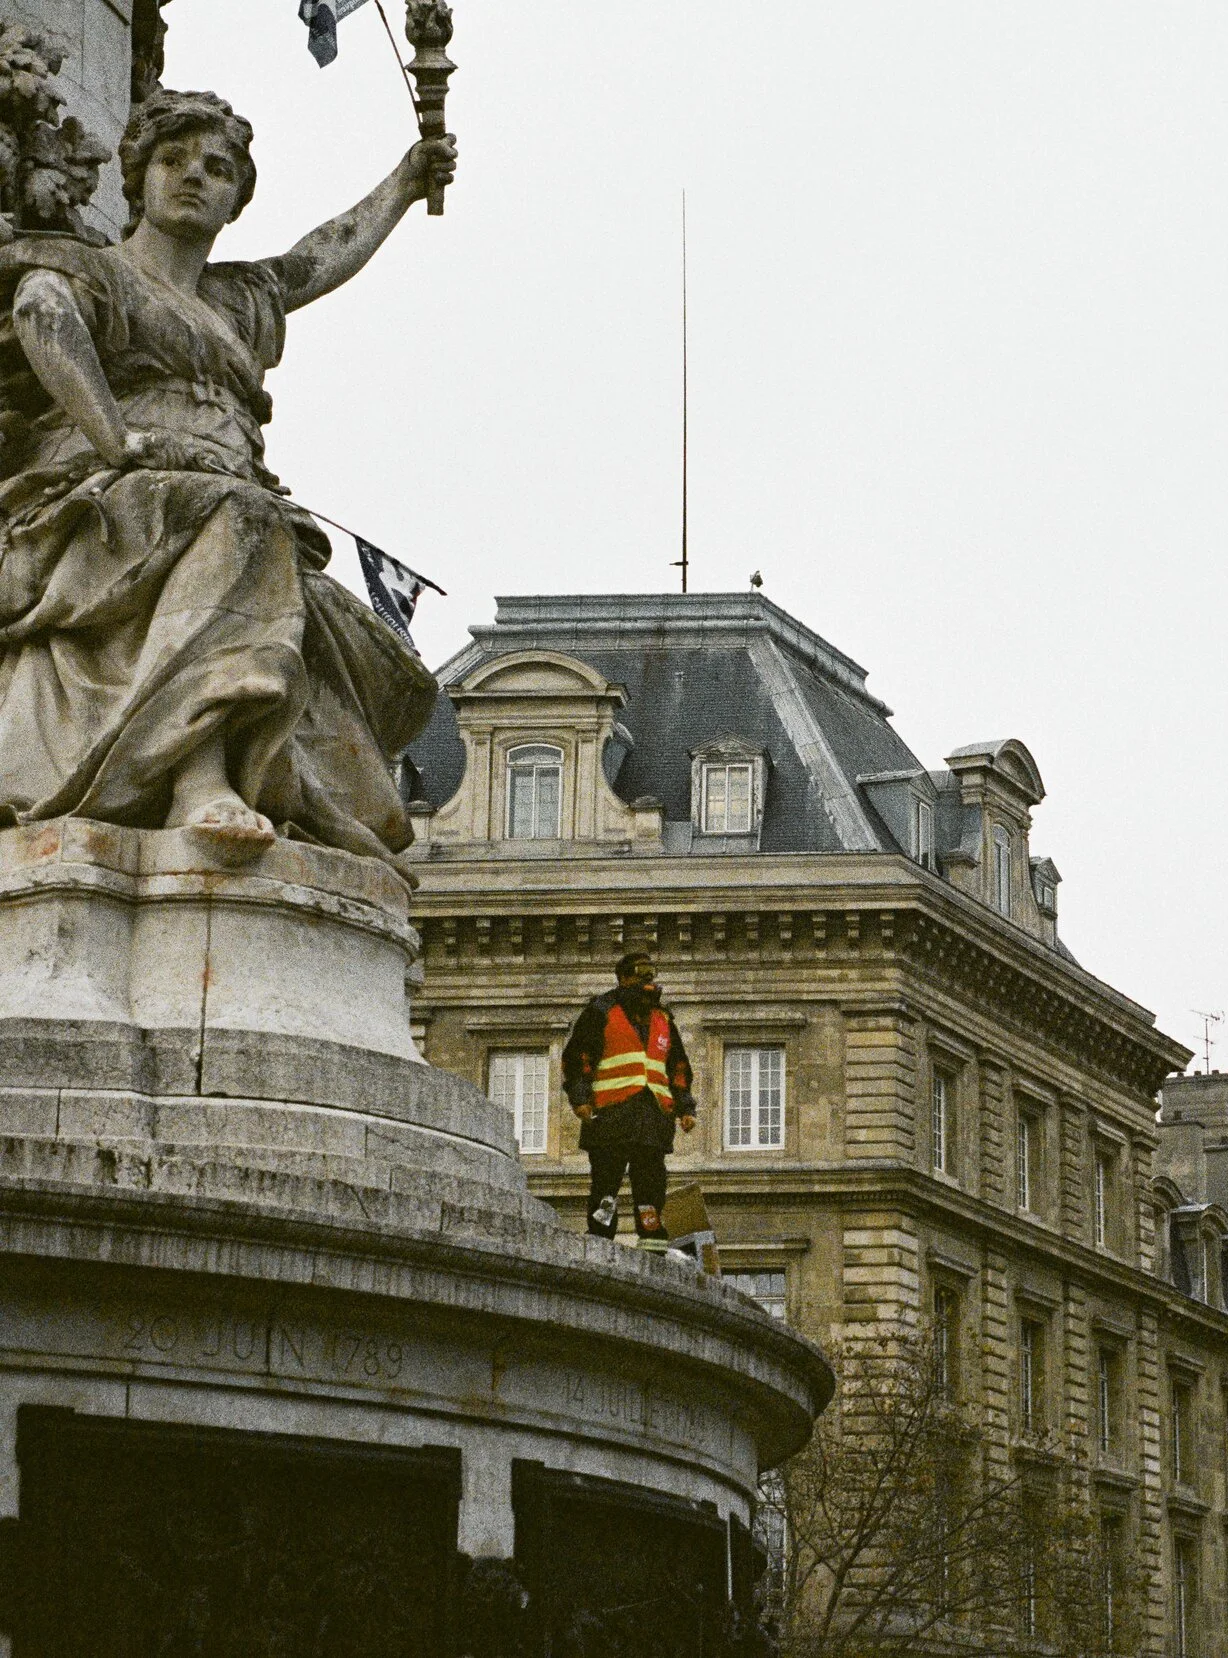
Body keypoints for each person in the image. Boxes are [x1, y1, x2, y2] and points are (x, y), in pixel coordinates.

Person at [0, 90, 456, 857]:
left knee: (384, 664)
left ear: (236, 199)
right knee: (240, 521)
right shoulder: (95, 272)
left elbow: (326, 253)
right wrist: (119, 440)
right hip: (100, 498)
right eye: (172, 160)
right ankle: (199, 774)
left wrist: (406, 182)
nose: (192, 176)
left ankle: (276, 787)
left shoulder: (241, 298)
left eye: (217, 168)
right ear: (136, 178)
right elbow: (43, 315)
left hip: (222, 496)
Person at [561, 952, 697, 1246]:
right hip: (611, 1115)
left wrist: (685, 1107)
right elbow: (578, 1057)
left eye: (652, 973)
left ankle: (652, 1239)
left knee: (651, 1184)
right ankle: (600, 1236)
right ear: (623, 978)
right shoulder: (601, 1010)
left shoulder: (663, 1018)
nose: (648, 979)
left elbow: (678, 1067)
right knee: (606, 1184)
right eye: (641, 972)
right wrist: (580, 1097)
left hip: (652, 1117)